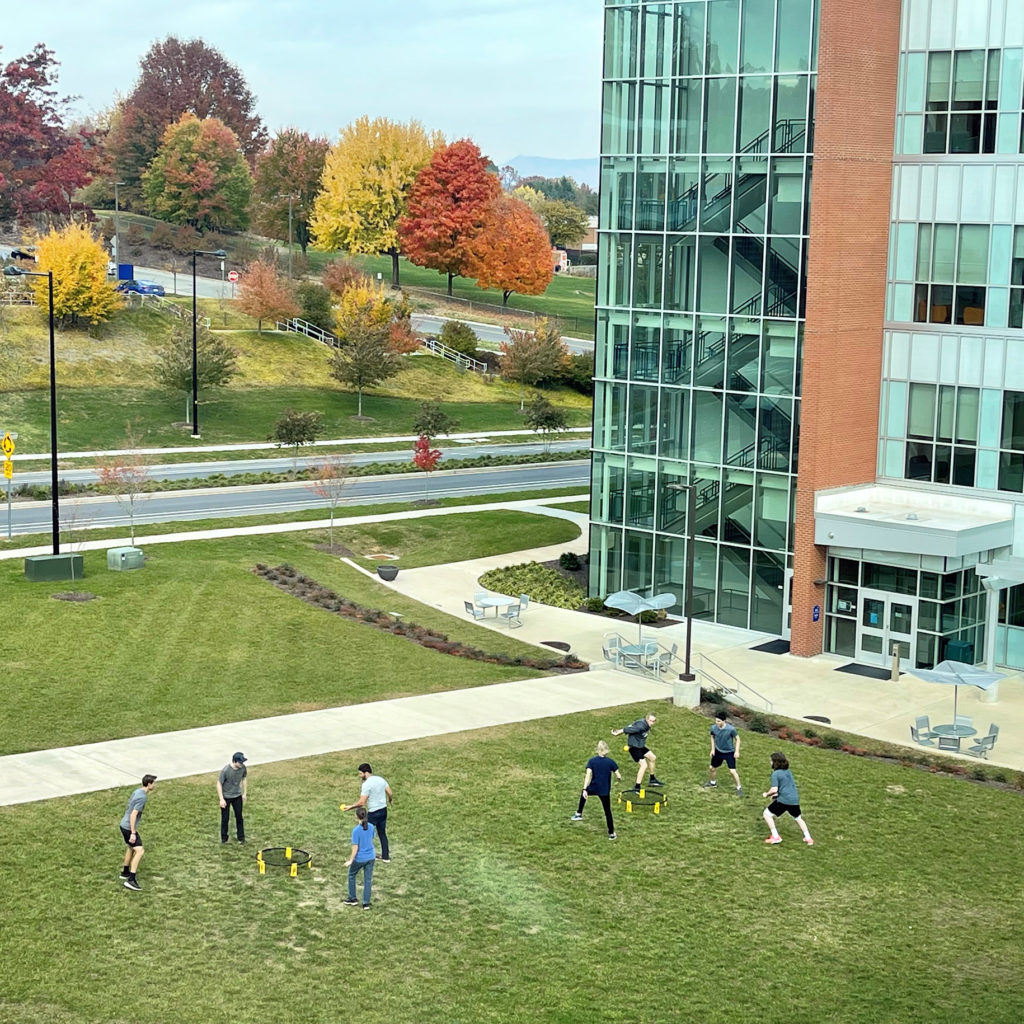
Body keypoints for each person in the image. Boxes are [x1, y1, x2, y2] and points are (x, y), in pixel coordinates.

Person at [570, 739, 622, 839]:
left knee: (583, 794)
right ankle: (611, 833)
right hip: (604, 791)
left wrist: (584, 789)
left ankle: (579, 813)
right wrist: (618, 778)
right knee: (607, 812)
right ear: (607, 750)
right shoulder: (611, 762)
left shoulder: (592, 761)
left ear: (597, 750)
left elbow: (588, 775)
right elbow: (618, 775)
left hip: (594, 787)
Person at [341, 762, 393, 862]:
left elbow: (362, 802)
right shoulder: (381, 779)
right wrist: (390, 799)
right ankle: (386, 857)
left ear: (366, 773)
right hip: (383, 810)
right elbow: (390, 793)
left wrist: (350, 807)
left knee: (364, 832)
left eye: (360, 774)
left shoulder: (367, 784)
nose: (359, 776)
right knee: (382, 833)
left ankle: (363, 855)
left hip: (373, 813)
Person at [762, 751, 814, 846]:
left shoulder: (776, 774)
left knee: (767, 814)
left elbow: (774, 789)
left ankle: (775, 837)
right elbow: (786, 787)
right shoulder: (788, 772)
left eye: (771, 761)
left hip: (784, 800)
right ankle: (808, 838)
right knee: (798, 818)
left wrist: (767, 794)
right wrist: (777, 795)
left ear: (775, 763)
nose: (770, 762)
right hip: (794, 800)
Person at [119, 774, 157, 891]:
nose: (155, 785)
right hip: (128, 827)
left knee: (131, 847)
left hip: (123, 825)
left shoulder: (137, 791)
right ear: (149, 784)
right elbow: (133, 814)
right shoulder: (142, 797)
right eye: (154, 783)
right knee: (140, 851)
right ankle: (131, 880)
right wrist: (133, 832)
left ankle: (125, 872)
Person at [611, 713, 663, 791]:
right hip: (634, 747)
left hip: (640, 746)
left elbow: (631, 725)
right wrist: (618, 732)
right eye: (650, 721)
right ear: (646, 719)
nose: (652, 723)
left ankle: (652, 780)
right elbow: (628, 729)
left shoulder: (643, 723)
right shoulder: (641, 727)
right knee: (644, 765)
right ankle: (637, 787)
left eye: (653, 721)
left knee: (652, 758)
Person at [703, 711, 744, 796]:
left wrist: (736, 751)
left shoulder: (731, 729)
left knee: (732, 771)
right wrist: (713, 749)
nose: (716, 723)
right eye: (716, 721)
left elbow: (738, 739)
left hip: (729, 752)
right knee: (712, 768)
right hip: (718, 751)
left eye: (718, 721)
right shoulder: (713, 728)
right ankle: (713, 783)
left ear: (723, 721)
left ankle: (739, 788)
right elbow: (712, 737)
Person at [344, 806, 377, 908]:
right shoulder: (371, 827)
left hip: (360, 858)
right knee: (368, 880)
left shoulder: (356, 831)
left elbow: (355, 848)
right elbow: (372, 837)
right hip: (371, 857)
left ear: (357, 817)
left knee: (351, 875)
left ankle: (352, 898)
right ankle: (366, 903)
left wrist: (350, 860)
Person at [217, 752, 248, 844]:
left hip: (237, 796)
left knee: (239, 817)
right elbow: (219, 783)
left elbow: (244, 779)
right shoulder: (225, 771)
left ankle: (241, 838)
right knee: (225, 818)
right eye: (240, 762)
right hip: (226, 797)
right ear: (234, 761)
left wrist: (244, 793)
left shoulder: (243, 768)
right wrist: (221, 799)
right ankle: (224, 838)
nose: (241, 764)